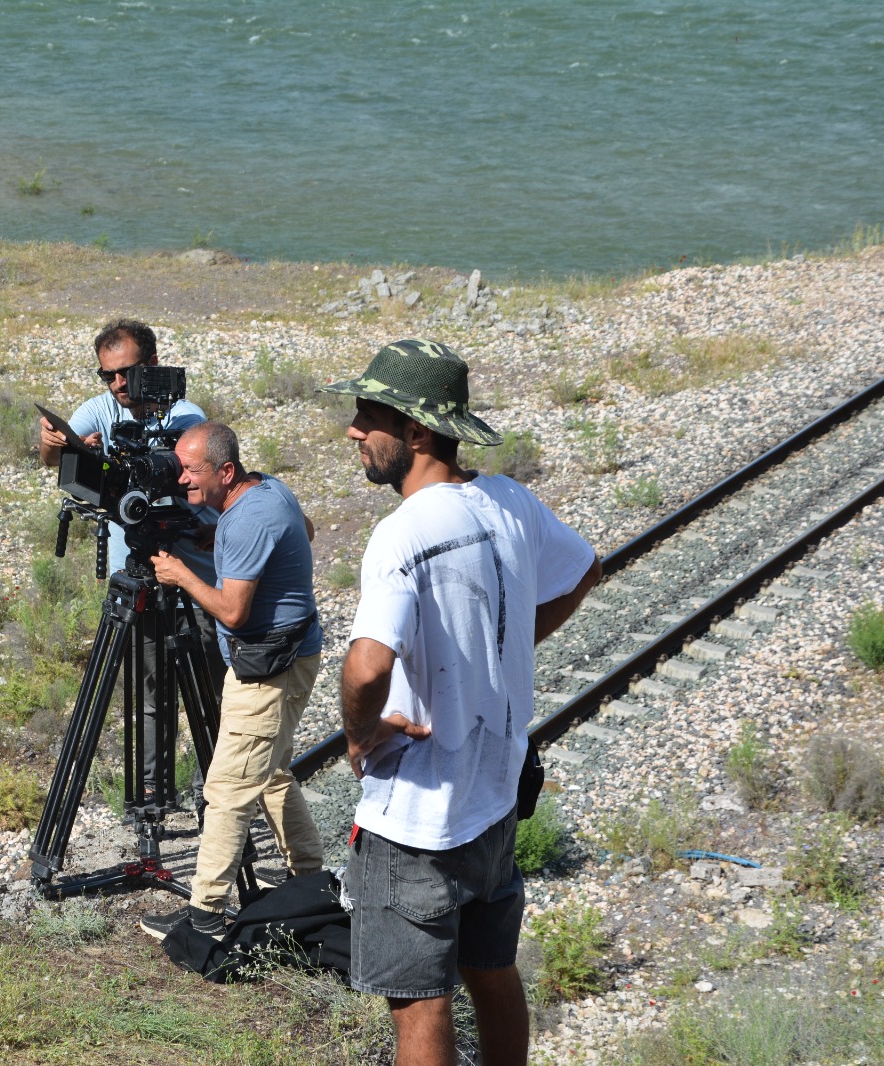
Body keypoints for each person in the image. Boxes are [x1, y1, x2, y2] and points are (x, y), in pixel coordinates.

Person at [322, 339, 601, 1066]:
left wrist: (359, 736)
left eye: (367, 414)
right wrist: (513, 645)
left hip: (416, 818)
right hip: (495, 800)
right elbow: (582, 566)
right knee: (491, 969)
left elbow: (365, 666)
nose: (353, 429)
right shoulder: (508, 500)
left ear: (416, 432)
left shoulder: (401, 536)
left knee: (420, 1006)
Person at [143, 421, 326, 941]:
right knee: (268, 775)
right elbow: (304, 531)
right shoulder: (268, 490)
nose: (180, 481)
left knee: (225, 790)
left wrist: (182, 575)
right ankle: (312, 881)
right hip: (286, 660)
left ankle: (204, 917)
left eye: (191, 471)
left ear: (226, 471)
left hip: (267, 668)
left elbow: (234, 612)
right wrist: (219, 535)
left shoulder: (247, 520)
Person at [38, 319, 226, 803]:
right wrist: (59, 446)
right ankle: (152, 789)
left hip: (196, 579)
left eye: (128, 372)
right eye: (108, 376)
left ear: (154, 364)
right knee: (149, 689)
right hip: (139, 574)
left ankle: (221, 792)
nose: (118, 385)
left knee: (210, 690)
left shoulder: (186, 418)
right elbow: (51, 460)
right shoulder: (98, 410)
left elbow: (188, 479)